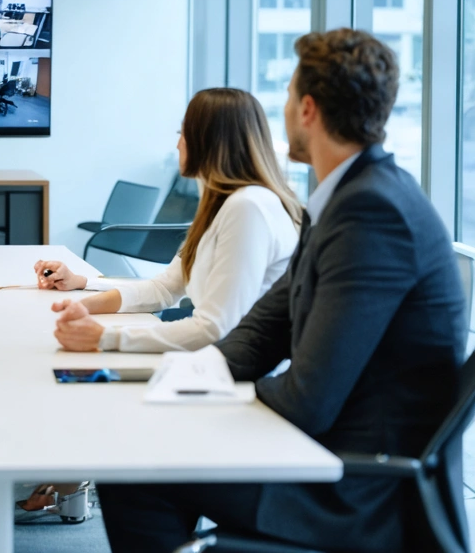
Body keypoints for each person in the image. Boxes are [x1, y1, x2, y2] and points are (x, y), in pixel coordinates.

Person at [96, 29, 466, 552]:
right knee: (141, 440)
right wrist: (177, 380)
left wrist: (207, 399)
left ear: (308, 109)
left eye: (289, 97)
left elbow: (309, 398)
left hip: (354, 484)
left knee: (133, 469)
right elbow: (260, 334)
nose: (285, 110)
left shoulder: (373, 213)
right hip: (323, 449)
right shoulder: (345, 199)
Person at [37, 88, 301, 352]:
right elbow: (164, 289)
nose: (178, 145)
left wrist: (106, 338)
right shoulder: (224, 205)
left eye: (182, 134)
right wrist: (82, 295)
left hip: (236, 374)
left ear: (206, 140)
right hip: (218, 361)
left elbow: (214, 327)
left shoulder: (248, 207)